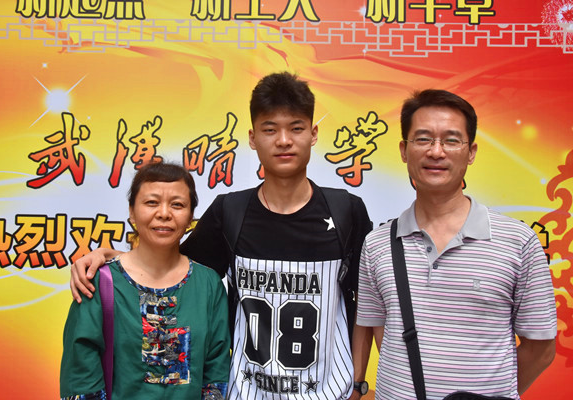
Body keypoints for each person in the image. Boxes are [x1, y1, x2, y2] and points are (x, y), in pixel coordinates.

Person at [69, 72, 372, 399]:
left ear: (313, 134)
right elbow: (172, 268)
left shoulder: (345, 211)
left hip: (329, 393)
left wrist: (357, 384)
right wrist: (110, 257)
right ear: (253, 138)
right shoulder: (231, 212)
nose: (284, 140)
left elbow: (369, 303)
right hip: (247, 393)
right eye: (270, 129)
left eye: (296, 128)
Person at [350, 89, 557, 399]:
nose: (436, 152)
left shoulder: (518, 242)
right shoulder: (377, 244)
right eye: (423, 139)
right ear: (404, 150)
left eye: (450, 140)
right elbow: (381, 330)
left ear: (471, 152)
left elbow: (541, 348)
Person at [60, 162, 230, 400]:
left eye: (177, 205)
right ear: (132, 211)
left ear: (191, 216)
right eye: (151, 202)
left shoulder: (208, 284)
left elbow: (216, 372)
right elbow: (80, 375)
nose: (164, 213)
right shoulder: (100, 281)